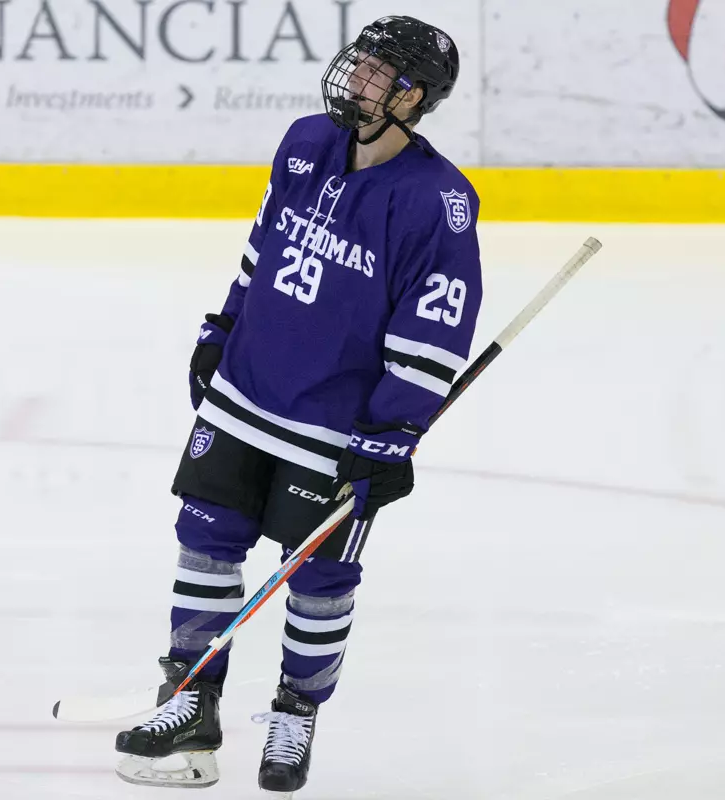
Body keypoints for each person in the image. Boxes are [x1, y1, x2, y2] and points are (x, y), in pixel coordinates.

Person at [114, 14, 484, 795]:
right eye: (361, 63)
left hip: (334, 427)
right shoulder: (305, 141)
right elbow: (264, 246)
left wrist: (392, 431)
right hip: (246, 390)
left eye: (382, 73)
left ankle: (296, 710)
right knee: (204, 543)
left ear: (414, 99)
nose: (359, 79)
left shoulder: (438, 201)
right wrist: (223, 328)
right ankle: (191, 701)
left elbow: (437, 323)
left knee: (319, 577)